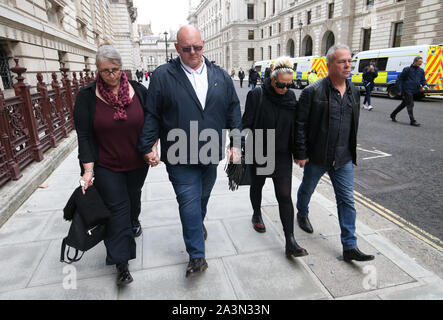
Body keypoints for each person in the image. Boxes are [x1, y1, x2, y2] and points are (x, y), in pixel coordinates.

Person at [138, 25, 242, 278]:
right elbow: (152, 114)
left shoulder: (221, 76)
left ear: (203, 44)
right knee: (189, 203)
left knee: (201, 200)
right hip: (178, 154)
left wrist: (236, 144)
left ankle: (197, 224)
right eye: (187, 48)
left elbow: (234, 111)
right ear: (177, 48)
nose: (193, 52)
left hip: (210, 152)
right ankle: (197, 255)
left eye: (197, 47)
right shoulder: (163, 76)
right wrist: (147, 146)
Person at [73, 43, 154, 286]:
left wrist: (151, 148)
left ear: (122, 68)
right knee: (118, 210)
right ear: (98, 70)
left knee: (132, 199)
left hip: (137, 162)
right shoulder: (87, 97)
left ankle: (134, 220)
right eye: (106, 71)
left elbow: (151, 122)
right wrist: (88, 170)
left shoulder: (138, 91)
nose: (112, 75)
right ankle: (121, 263)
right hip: (107, 164)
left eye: (116, 69)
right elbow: (85, 136)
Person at [294, 44, 375, 263]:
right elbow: (300, 124)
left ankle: (349, 245)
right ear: (329, 64)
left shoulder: (354, 91)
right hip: (318, 156)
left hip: (343, 158)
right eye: (342, 61)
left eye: (349, 61)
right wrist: (301, 152)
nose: (348, 65)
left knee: (347, 200)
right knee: (307, 189)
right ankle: (302, 212)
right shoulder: (312, 91)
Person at [242, 57, 308, 258]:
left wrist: (300, 152)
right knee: (258, 185)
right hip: (261, 149)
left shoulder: (291, 98)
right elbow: (245, 124)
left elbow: (298, 127)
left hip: (282, 154)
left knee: (285, 196)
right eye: (281, 84)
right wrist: (241, 147)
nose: (285, 88)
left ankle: (290, 241)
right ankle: (256, 213)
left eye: (289, 85)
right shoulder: (257, 95)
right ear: (272, 80)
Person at [390, 56, 429, 127]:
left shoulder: (421, 71)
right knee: (410, 104)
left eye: (421, 62)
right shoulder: (407, 69)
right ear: (415, 61)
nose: (420, 63)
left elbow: (423, 80)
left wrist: (425, 85)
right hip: (407, 90)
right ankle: (412, 121)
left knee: (404, 104)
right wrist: (399, 90)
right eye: (419, 62)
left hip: (415, 90)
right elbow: (400, 79)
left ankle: (393, 114)